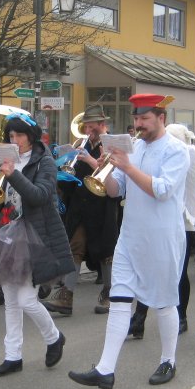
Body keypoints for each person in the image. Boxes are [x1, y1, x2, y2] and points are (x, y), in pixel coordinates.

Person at [68, 93, 189, 389]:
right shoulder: (134, 148)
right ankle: (105, 369)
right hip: (131, 236)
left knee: (163, 301)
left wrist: (128, 166)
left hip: (161, 238)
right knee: (120, 299)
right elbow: (113, 191)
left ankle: (168, 359)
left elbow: (161, 190)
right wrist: (105, 171)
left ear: (162, 118)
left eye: (145, 119)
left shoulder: (177, 151)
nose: (138, 124)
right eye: (136, 119)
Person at [0, 114, 73, 377]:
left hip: (35, 236)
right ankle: (12, 355)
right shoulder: (5, 162)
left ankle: (54, 337)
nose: (14, 141)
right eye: (10, 136)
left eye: (19, 136)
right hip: (6, 233)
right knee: (10, 300)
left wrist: (13, 174)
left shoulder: (45, 162)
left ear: (31, 137)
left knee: (28, 300)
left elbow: (40, 196)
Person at [126, 123, 195, 338]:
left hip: (181, 223)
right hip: (155, 222)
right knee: (146, 271)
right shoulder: (156, 152)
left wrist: (192, 212)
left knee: (177, 274)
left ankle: (181, 316)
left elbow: (192, 190)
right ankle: (139, 319)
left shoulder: (184, 155)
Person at [44, 105, 120, 315]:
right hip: (80, 205)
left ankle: (109, 294)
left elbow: (111, 172)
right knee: (74, 246)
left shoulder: (112, 144)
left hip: (103, 205)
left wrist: (88, 158)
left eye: (92, 126)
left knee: (106, 251)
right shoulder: (81, 144)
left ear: (102, 125)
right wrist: (64, 166)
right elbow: (73, 174)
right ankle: (66, 296)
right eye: (86, 126)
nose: (87, 130)